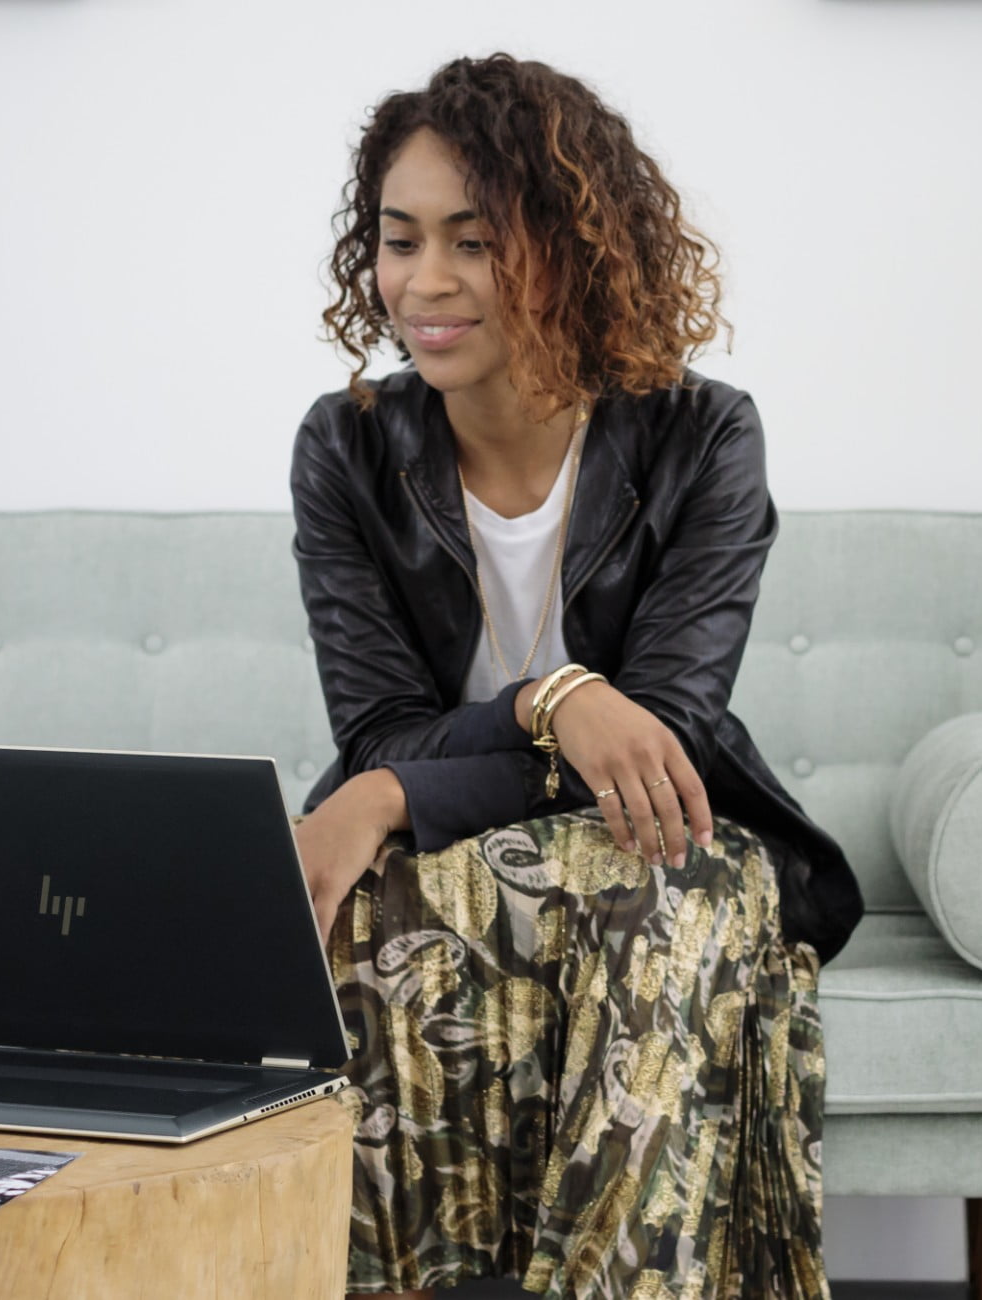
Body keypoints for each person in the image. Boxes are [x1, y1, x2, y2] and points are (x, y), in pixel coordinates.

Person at [285, 53, 867, 1299]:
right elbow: (381, 727)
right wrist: (549, 698)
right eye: (398, 241)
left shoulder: (702, 434)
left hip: (666, 832)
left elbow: (665, 740)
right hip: (459, 846)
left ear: (565, 246)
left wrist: (394, 793)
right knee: (360, 925)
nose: (422, 282)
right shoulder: (344, 448)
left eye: (473, 241)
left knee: (659, 894)